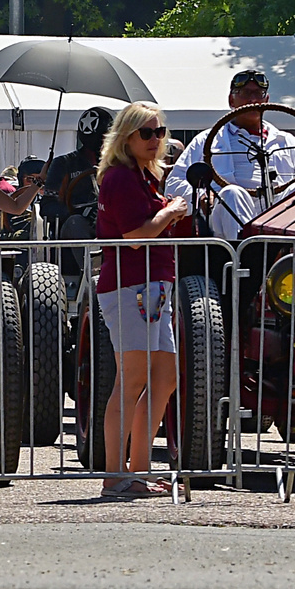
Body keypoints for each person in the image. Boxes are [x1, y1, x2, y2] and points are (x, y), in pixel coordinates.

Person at [95, 102, 190, 498]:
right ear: (126, 137)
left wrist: (167, 212)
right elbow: (135, 236)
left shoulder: (142, 176)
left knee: (164, 377)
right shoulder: (120, 178)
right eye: (146, 133)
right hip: (132, 286)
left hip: (151, 286)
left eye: (160, 132)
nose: (156, 140)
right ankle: (116, 475)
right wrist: (170, 212)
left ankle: (138, 469)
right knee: (131, 379)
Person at [167, 69, 295, 241]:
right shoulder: (207, 141)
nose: (253, 100)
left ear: (267, 100)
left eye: (258, 94)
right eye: (245, 93)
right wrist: (203, 196)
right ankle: (247, 256)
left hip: (278, 212)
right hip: (228, 213)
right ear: (231, 100)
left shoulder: (287, 141)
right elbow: (173, 183)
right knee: (233, 193)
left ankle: (292, 251)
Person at [42, 106, 113, 237]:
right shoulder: (64, 164)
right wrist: (79, 212)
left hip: (109, 224)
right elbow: (47, 207)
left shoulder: (117, 165)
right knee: (76, 223)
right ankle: (90, 258)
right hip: (73, 229)